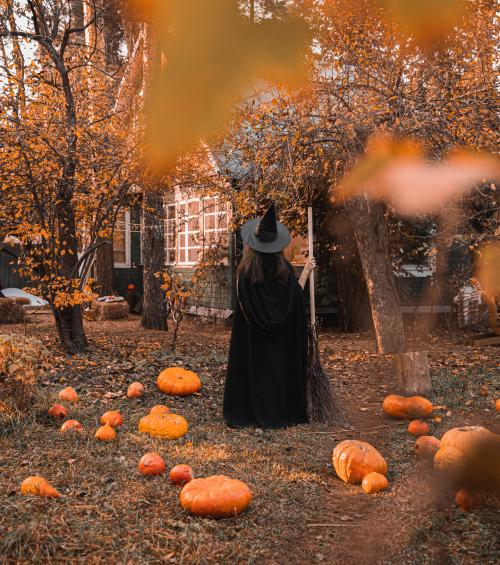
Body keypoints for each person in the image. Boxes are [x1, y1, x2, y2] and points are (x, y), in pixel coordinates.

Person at [223, 203, 316, 429]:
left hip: (253, 341)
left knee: (256, 371)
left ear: (254, 245)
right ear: (276, 246)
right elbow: (293, 301)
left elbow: (247, 309)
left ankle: (249, 411)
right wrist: (305, 272)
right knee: (276, 371)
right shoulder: (283, 270)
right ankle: (281, 411)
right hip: (280, 341)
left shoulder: (245, 273)